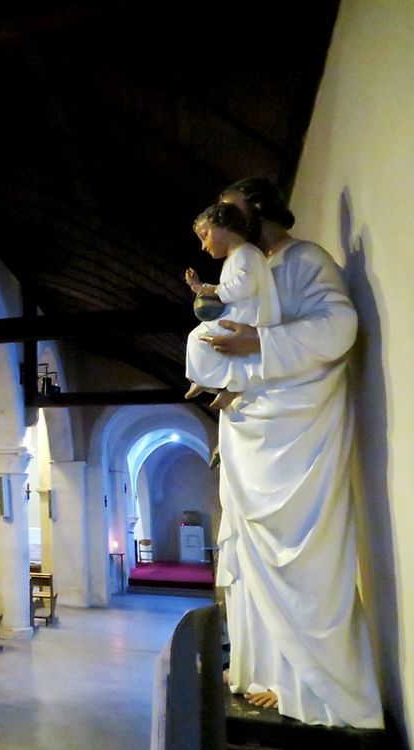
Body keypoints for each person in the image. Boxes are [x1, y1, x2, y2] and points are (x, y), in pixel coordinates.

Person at [202, 177, 383, 728]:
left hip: (297, 436)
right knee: (256, 552)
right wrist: (228, 378)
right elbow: (247, 337)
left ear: (256, 213)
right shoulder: (255, 270)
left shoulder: (305, 261)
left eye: (230, 214)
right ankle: (270, 674)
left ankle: (313, 683)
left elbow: (339, 326)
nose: (225, 227)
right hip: (256, 429)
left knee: (302, 555)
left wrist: (256, 344)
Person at [183, 202, 279, 408]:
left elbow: (243, 286)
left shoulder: (246, 253)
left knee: (199, 338)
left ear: (223, 227)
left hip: (248, 316)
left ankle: (211, 380)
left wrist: (213, 290)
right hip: (238, 314)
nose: (203, 245)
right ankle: (221, 386)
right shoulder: (235, 258)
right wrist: (199, 287)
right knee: (201, 338)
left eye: (205, 235)